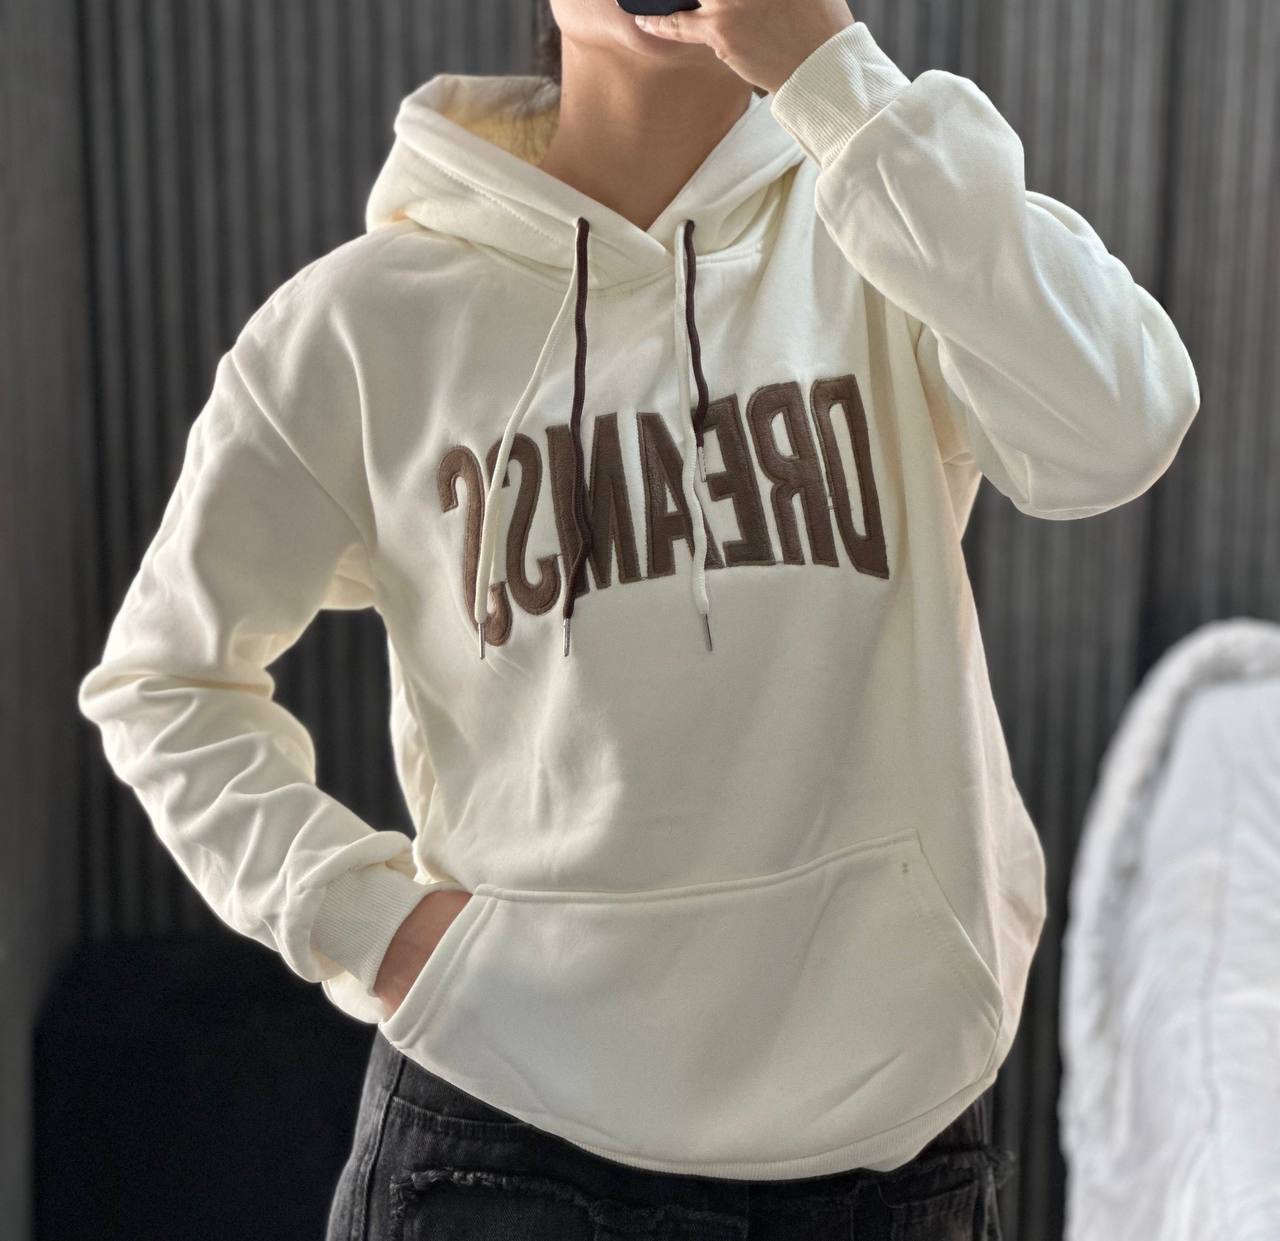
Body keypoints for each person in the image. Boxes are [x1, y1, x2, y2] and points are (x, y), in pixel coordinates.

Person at [77, 0, 1201, 1237]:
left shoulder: (892, 222)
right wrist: (373, 925)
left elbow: (1118, 427)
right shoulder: (363, 321)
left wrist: (830, 74)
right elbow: (163, 684)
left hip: (885, 1145)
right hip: (504, 1138)